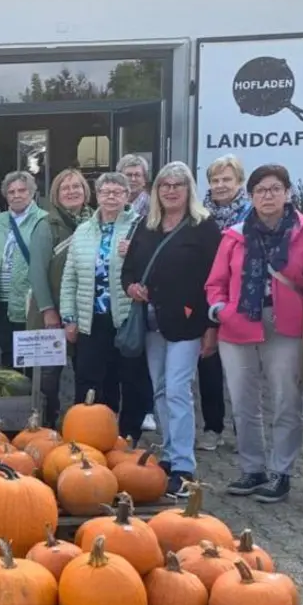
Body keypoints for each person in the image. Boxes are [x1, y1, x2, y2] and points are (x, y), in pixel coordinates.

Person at [205, 164, 303, 505]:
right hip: (238, 324)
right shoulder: (234, 236)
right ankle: (252, 468)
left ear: (287, 193)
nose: (267, 196)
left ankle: (281, 471)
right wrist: (220, 311)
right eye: (260, 191)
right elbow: (215, 283)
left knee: (286, 400)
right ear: (251, 196)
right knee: (243, 402)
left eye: (274, 189)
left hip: (286, 325)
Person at [121, 162, 222, 499]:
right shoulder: (146, 226)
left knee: (178, 388)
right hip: (152, 320)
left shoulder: (203, 227)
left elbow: (216, 279)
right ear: (156, 190)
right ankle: (168, 453)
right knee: (161, 389)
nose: (170, 190)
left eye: (178, 184)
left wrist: (211, 326)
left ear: (188, 188)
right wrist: (132, 287)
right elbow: (129, 269)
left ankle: (184, 465)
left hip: (188, 321)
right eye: (164, 185)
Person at [60, 172, 150, 441]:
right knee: (89, 378)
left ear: (126, 196)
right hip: (91, 317)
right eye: (105, 192)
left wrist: (135, 250)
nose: (111, 197)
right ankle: (91, 435)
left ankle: (127, 435)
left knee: (130, 379)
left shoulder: (141, 227)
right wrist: (69, 317)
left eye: (117, 192)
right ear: (97, 195)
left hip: (124, 317)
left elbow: (153, 267)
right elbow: (70, 277)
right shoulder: (84, 230)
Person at [0, 171, 59, 422]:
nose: (16, 195)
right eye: (11, 192)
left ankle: (43, 416)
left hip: (30, 303)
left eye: (22, 190)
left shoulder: (44, 220)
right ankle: (14, 417)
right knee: (9, 358)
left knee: (35, 364)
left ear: (32, 192)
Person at [195, 154, 251, 453]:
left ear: (239, 182)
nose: (220, 185)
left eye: (226, 179)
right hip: (208, 299)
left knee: (244, 372)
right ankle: (213, 427)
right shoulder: (199, 215)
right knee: (210, 365)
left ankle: (246, 430)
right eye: (215, 180)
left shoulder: (252, 215)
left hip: (243, 301)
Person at [38, 167, 92, 425]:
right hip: (53, 310)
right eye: (65, 188)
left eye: (76, 187)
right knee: (49, 374)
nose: (71, 192)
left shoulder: (97, 221)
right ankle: (48, 422)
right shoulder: (46, 224)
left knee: (86, 369)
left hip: (87, 310)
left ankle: (81, 423)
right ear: (56, 194)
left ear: (85, 191)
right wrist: (48, 309)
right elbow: (37, 272)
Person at [119, 154, 152, 222]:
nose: (133, 179)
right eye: (129, 175)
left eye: (137, 175)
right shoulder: (113, 204)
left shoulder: (152, 207)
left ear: (144, 180)